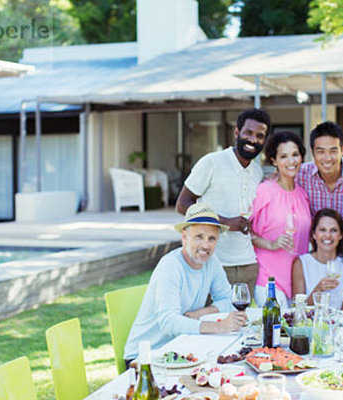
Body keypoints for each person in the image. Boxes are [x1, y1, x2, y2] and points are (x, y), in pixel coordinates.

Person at [123, 203, 247, 363]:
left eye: (212, 239)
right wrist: (219, 326)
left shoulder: (211, 261)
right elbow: (169, 322)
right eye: (199, 237)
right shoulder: (171, 266)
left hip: (181, 349)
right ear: (184, 237)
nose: (206, 245)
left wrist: (201, 313)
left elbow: (227, 299)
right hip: (146, 357)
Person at [176, 108, 271, 295]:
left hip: (247, 264)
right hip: (212, 260)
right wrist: (225, 222)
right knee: (210, 321)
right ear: (237, 132)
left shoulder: (258, 172)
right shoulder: (212, 162)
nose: (253, 140)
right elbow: (182, 204)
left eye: (260, 136)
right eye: (248, 133)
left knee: (242, 321)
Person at [250, 131, 312, 308]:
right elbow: (243, 230)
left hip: (297, 282)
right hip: (268, 280)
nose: (291, 161)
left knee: (297, 333)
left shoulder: (302, 194)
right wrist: (270, 244)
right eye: (283, 156)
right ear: (274, 161)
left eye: (295, 155)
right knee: (277, 332)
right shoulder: (264, 191)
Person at [296, 121, 343, 256]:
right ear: (312, 152)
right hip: (316, 254)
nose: (327, 158)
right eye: (320, 151)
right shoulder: (300, 175)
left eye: (333, 151)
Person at [292, 208, 343, 310]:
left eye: (333, 230)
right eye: (322, 230)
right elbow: (298, 310)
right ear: (314, 235)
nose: (328, 235)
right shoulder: (301, 264)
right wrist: (318, 289)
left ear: (340, 235)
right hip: (309, 324)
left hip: (339, 324)